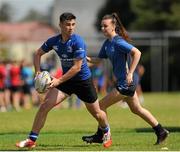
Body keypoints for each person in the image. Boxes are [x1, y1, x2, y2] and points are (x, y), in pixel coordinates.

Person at [16, 12, 112, 149]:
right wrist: (37, 72)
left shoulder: (78, 41)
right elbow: (38, 54)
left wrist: (58, 81)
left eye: (73, 24)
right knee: (44, 106)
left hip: (83, 82)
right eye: (67, 24)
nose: (71, 27)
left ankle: (106, 130)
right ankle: (31, 140)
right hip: (66, 81)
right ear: (60, 25)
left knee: (97, 113)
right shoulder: (54, 41)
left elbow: (77, 67)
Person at [82, 12, 169, 145]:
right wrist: (86, 58)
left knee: (100, 106)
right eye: (101, 26)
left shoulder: (118, 42)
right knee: (136, 109)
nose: (103, 29)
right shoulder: (107, 43)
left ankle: (102, 135)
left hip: (126, 83)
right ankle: (161, 131)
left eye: (105, 26)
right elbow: (98, 60)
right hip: (125, 83)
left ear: (113, 26)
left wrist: (130, 73)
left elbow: (137, 53)